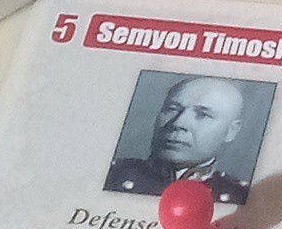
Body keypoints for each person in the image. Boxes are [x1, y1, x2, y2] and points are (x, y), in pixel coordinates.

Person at [106, 74, 252, 200]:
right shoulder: (113, 175)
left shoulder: (240, 195)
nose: (178, 123)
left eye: (203, 114)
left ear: (231, 131)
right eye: (172, 109)